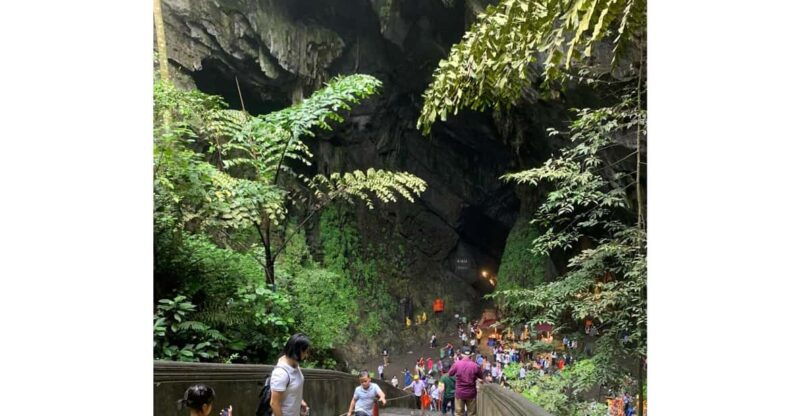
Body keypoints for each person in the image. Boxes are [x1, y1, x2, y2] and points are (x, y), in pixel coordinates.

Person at [270, 333, 311, 416]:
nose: (306, 355)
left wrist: (300, 401)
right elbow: (274, 404)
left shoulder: (294, 364)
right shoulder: (281, 374)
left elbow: (292, 388)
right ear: (297, 350)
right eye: (305, 352)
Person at [448, 348, 483, 416]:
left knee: (459, 413)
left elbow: (450, 374)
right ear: (471, 355)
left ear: (461, 354)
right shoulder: (475, 365)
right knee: (472, 414)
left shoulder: (457, 364)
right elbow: (481, 377)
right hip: (471, 393)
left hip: (460, 393)